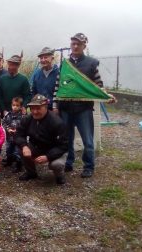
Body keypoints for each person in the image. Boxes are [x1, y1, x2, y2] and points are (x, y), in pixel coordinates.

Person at [53, 33, 116, 178]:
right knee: (66, 138)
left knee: (88, 139)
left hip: (83, 109)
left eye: (78, 44)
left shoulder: (91, 63)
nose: (75, 46)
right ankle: (68, 163)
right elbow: (58, 87)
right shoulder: (64, 64)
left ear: (84, 46)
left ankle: (89, 166)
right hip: (65, 108)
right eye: (73, 44)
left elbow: (97, 85)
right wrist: (56, 105)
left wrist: (106, 96)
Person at [15, 94, 68, 184]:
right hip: (37, 147)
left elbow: (64, 145)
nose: (35, 112)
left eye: (38, 108)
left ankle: (59, 175)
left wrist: (48, 157)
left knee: (56, 164)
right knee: (21, 149)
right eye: (32, 108)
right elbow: (18, 135)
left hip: (54, 149)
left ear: (46, 107)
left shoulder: (57, 122)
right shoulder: (27, 119)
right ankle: (31, 173)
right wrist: (24, 146)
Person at [2, 97, 24, 172]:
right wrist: (8, 129)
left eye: (17, 105)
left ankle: (19, 165)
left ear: (20, 106)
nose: (15, 107)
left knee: (17, 151)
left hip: (18, 138)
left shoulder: (22, 116)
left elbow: (24, 126)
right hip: (9, 137)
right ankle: (9, 161)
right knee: (8, 150)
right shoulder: (8, 114)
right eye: (13, 105)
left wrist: (17, 130)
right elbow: (3, 123)